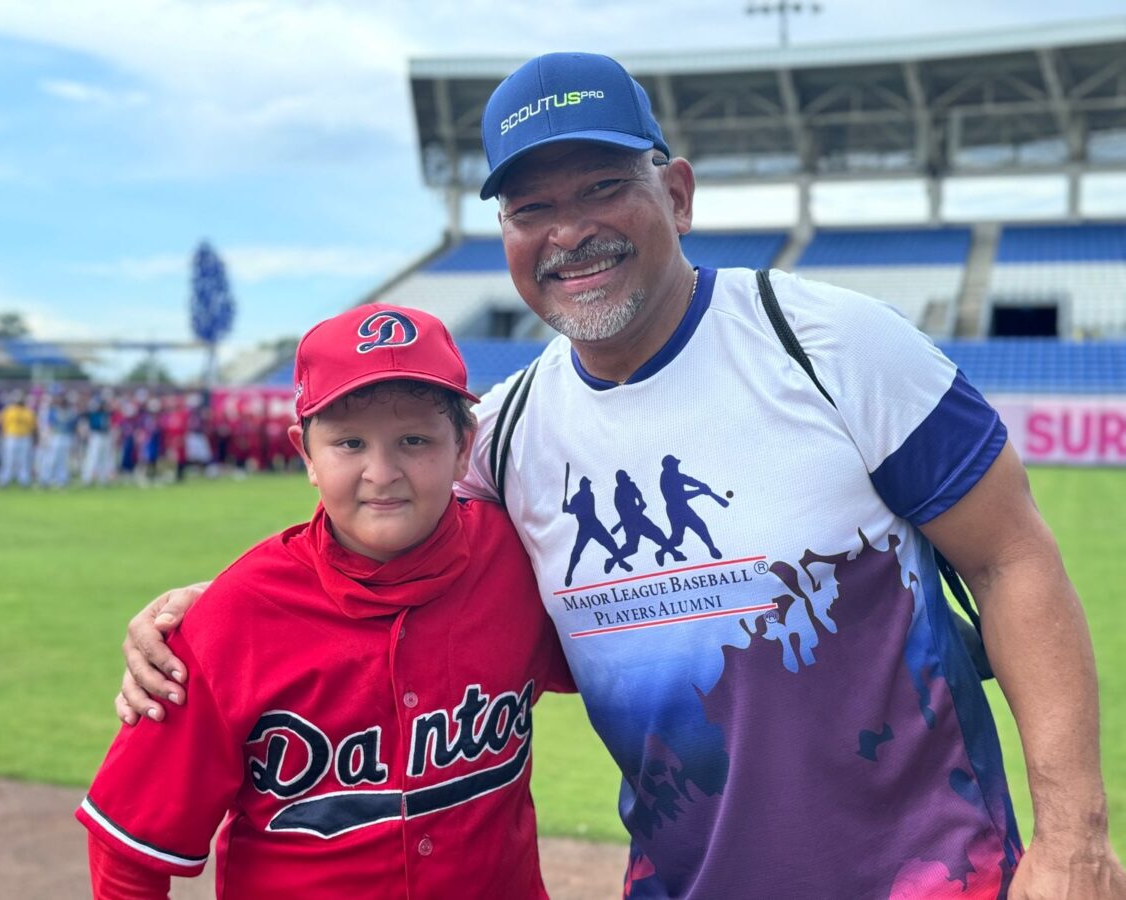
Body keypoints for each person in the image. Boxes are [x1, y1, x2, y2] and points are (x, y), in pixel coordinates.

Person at [118, 52, 1124, 899]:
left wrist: (1073, 837)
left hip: (931, 874)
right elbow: (378, 551)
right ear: (505, 237)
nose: (568, 230)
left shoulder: (831, 343)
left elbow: (1011, 561)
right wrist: (207, 617)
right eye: (531, 205)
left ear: (674, 193)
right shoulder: (503, 435)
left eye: (603, 187)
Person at [78, 304, 572, 899]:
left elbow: (634, 659)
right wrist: (213, 619)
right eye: (349, 442)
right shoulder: (232, 619)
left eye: (414, 439)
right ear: (306, 454)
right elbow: (128, 851)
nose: (381, 472)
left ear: (464, 446)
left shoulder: (519, 560)